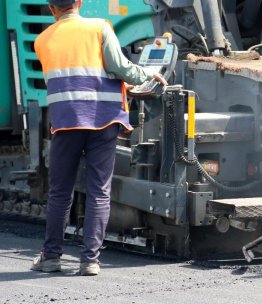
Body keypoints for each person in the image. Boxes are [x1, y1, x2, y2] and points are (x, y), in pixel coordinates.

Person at [31, 0, 167, 276]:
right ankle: (89, 261)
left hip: (66, 122)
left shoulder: (42, 40)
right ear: (79, 2)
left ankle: (51, 258)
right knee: (98, 191)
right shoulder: (99, 28)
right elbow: (118, 67)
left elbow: (72, 76)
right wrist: (146, 74)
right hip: (103, 120)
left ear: (51, 8)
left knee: (59, 192)